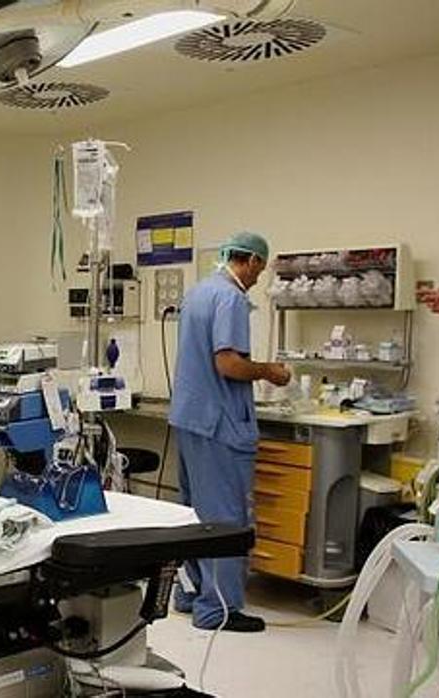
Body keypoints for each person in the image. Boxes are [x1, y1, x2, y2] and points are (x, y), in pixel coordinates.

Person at [168, 231, 292, 633]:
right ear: (252, 261)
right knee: (226, 519)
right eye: (261, 268)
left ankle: (189, 594)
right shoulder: (232, 298)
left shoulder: (199, 292)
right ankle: (217, 610)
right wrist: (269, 371)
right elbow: (229, 364)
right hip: (218, 424)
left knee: (194, 515)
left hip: (190, 418)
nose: (258, 278)